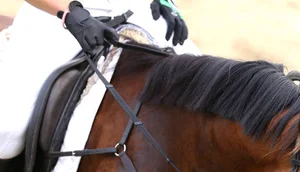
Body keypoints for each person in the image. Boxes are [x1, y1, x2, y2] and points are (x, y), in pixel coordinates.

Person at [0, 0, 200, 161]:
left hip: (136, 8)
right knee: (8, 132)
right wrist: (69, 12)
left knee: (201, 98)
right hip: (58, 11)